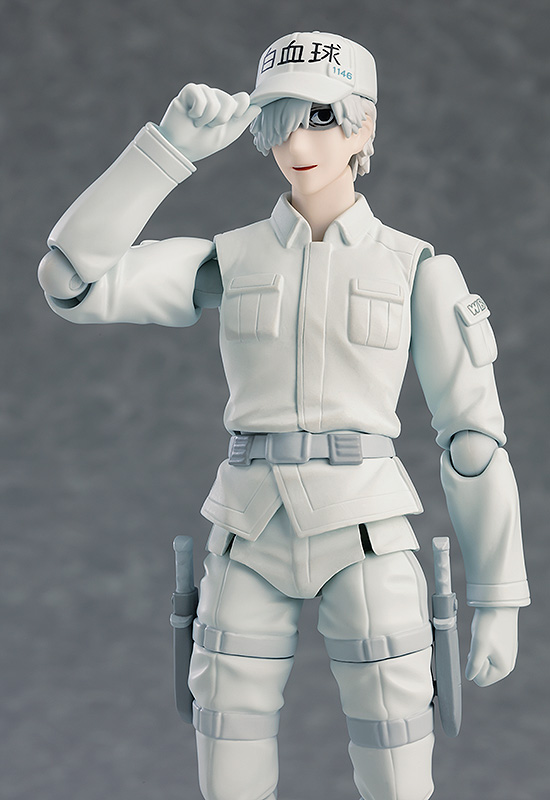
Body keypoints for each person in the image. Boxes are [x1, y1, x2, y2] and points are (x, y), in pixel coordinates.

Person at [38, 31, 529, 800]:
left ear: (365, 125)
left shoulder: (415, 267)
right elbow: (71, 280)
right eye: (279, 122)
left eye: (322, 118)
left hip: (366, 532)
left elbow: (472, 441)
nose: (298, 143)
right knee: (227, 747)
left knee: (396, 754)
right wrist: (166, 151)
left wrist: (497, 597)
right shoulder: (231, 258)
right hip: (249, 530)